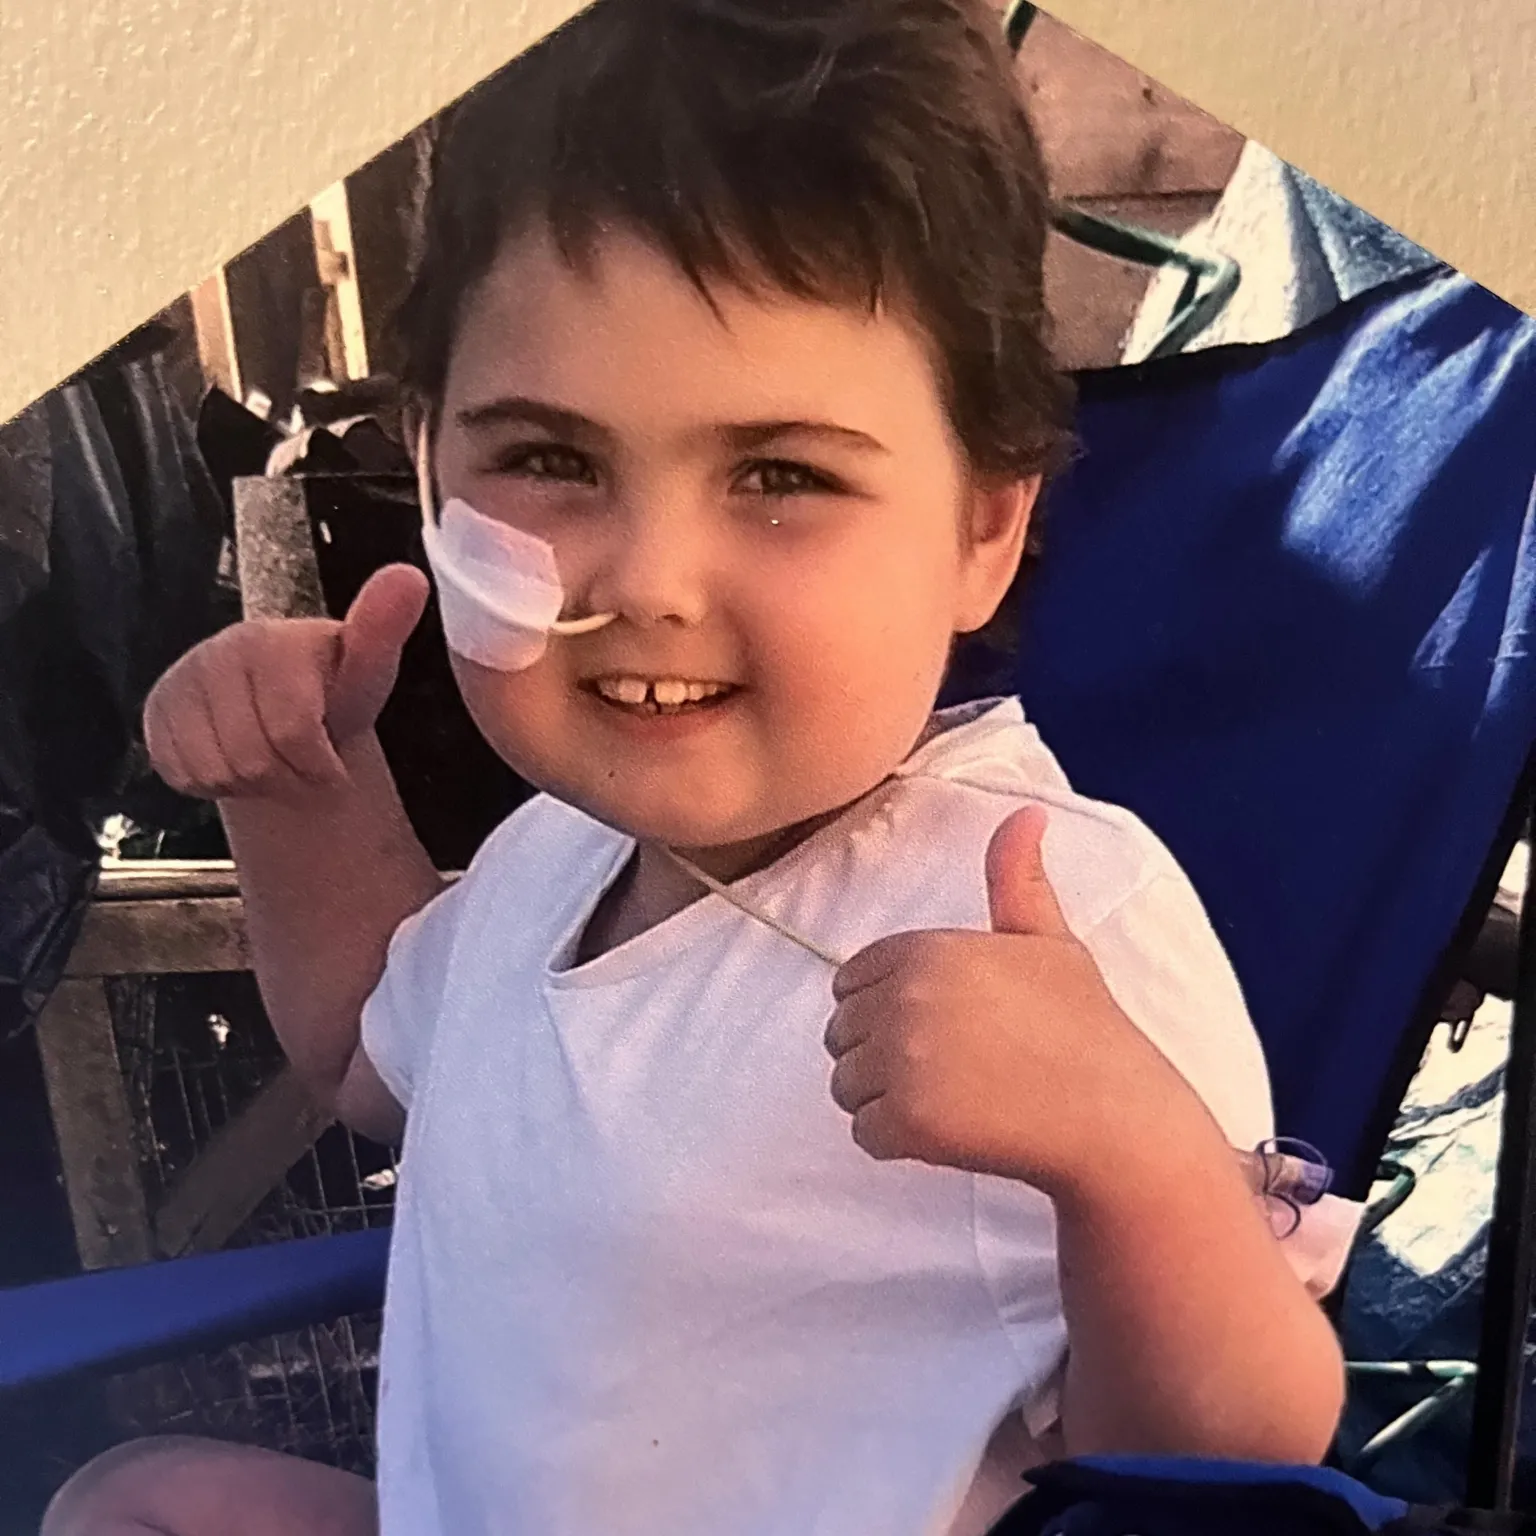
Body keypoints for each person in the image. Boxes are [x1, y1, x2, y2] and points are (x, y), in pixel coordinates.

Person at [43, 1, 1346, 1532]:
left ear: (983, 529)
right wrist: (294, 793)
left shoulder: (1049, 910)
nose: (651, 578)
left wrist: (1131, 1166)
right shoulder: (551, 856)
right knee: (142, 1501)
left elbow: (1231, 1464)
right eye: (549, 459)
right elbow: (363, 1065)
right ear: (425, 467)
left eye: (781, 476)